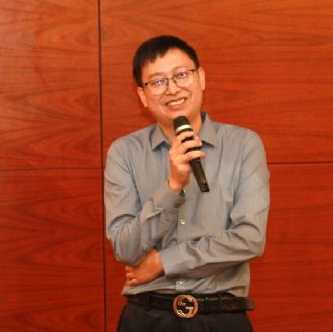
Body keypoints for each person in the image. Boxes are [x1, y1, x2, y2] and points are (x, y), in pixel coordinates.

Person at [104, 35, 270, 332]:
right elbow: (125, 248)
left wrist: (163, 262)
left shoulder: (243, 145)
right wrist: (172, 186)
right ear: (142, 95)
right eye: (157, 81)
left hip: (221, 317)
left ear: (201, 77)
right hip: (147, 317)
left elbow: (249, 238)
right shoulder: (125, 153)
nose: (172, 89)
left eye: (181, 75)